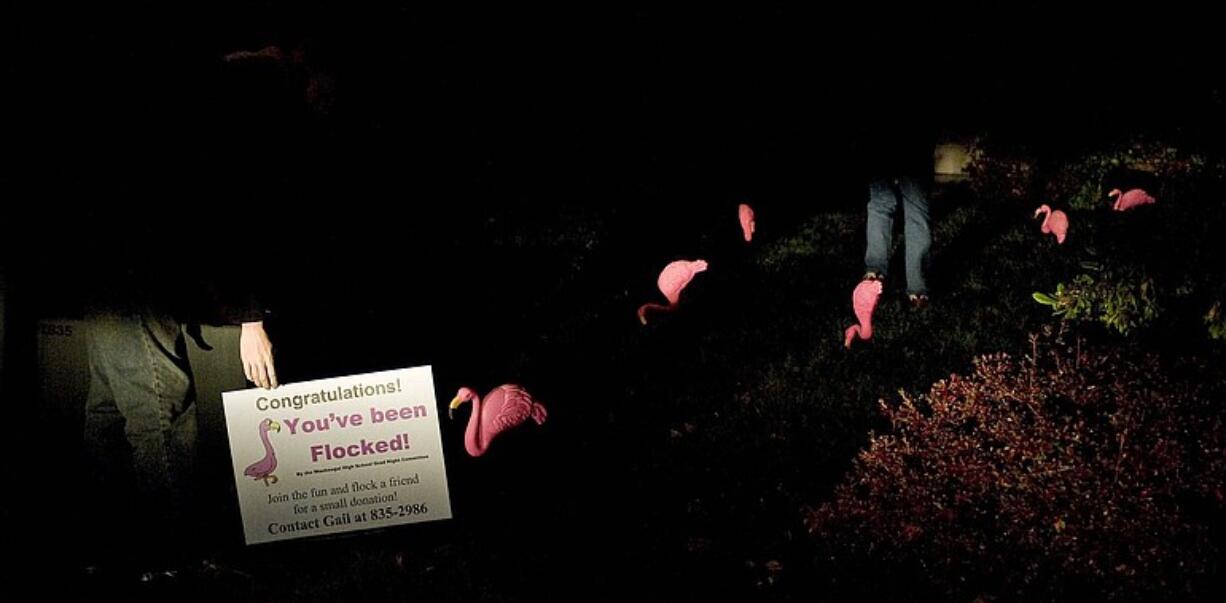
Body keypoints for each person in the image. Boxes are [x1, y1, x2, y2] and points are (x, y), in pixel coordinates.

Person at [853, 51, 936, 308]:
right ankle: (886, 275)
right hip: (888, 140)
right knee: (889, 205)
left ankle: (912, 284)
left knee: (905, 210)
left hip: (905, 141)